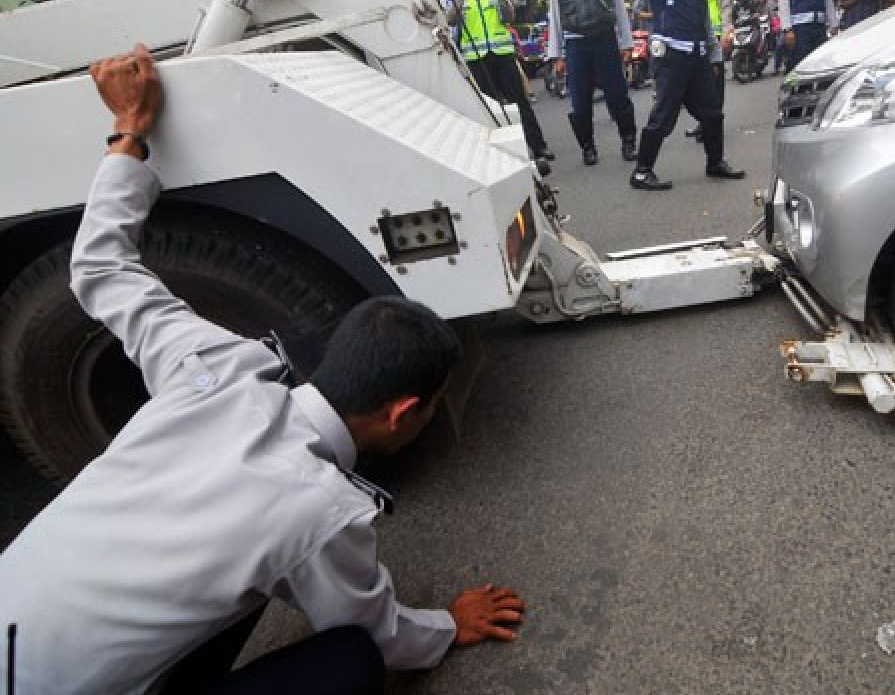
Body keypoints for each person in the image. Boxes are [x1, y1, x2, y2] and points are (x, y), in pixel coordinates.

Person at [0, 45, 527, 695]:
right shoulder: (317, 509)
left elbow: (100, 269)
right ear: (401, 413)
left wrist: (129, 131)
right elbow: (386, 639)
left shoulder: (215, 365)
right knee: (351, 661)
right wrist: (449, 623)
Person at [602, 0, 743, 191]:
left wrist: (714, 55)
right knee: (664, 117)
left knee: (713, 113)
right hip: (671, 60)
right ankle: (641, 172)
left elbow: (703, 20)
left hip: (698, 58)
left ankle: (715, 163)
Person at [442, 0, 555, 174]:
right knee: (490, 108)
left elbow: (510, 16)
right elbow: (451, 20)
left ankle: (538, 146)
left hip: (502, 55)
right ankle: (504, 156)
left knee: (520, 102)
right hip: (477, 60)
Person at [546, 0, 638, 165]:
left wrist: (627, 43)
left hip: (605, 40)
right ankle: (588, 147)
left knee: (618, 96)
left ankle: (629, 141)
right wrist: (557, 55)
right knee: (580, 104)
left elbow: (620, 10)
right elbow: (554, 18)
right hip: (576, 46)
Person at [684, 0, 732, 144]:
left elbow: (724, 3)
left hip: (716, 33)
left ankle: (712, 127)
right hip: (696, 35)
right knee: (698, 85)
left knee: (715, 85)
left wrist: (728, 29)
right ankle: (704, 123)